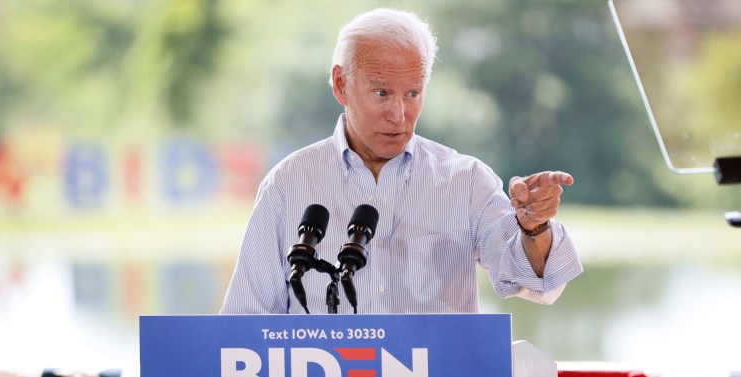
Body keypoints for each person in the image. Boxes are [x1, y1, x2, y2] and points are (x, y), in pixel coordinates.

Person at [219, 8, 582, 315]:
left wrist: (534, 227)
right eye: (382, 93)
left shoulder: (467, 181)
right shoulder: (288, 183)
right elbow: (244, 324)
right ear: (341, 84)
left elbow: (540, 285)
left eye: (413, 93)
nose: (399, 113)